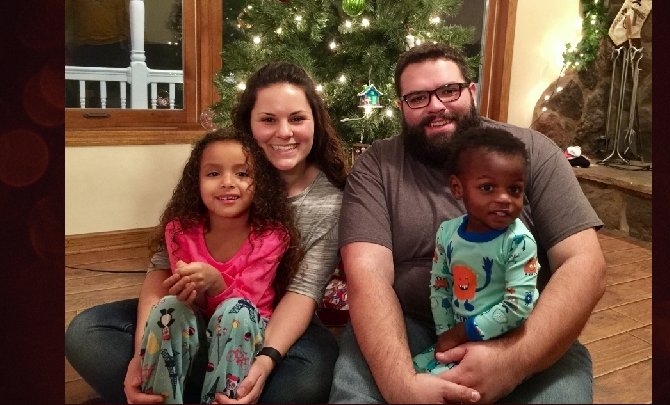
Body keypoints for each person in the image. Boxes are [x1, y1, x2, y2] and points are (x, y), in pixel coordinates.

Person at [330, 43, 606, 404]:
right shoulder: (376, 166)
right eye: (417, 98)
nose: (436, 106)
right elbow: (366, 276)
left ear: (471, 91)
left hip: (525, 330)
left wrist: (511, 363)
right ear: (401, 107)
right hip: (407, 326)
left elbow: (585, 264)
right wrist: (402, 388)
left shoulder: (534, 151)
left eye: (449, 90)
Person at [65, 62, 348, 403]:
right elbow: (162, 269)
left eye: (297, 118)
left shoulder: (329, 202)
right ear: (248, 124)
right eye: (268, 119)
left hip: (275, 324)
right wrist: (144, 353)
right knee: (86, 333)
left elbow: (303, 292)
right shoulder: (216, 181)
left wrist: (264, 362)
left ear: (315, 122)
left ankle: (204, 385)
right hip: (189, 317)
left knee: (308, 378)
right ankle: (181, 384)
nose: (284, 132)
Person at [137, 128, 301, 403]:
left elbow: (247, 301)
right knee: (168, 307)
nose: (227, 183)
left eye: (242, 174)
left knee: (237, 312)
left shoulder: (272, 237)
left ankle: (224, 398)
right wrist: (194, 291)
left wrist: (215, 282)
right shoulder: (179, 231)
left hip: (245, 334)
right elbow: (185, 300)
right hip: (195, 329)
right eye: (213, 174)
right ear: (196, 182)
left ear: (260, 182)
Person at [412, 125, 539, 376]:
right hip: (459, 335)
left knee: (442, 382)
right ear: (458, 188)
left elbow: (517, 308)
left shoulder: (519, 242)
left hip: (505, 342)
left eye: (514, 190)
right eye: (488, 188)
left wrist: (460, 334)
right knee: (414, 371)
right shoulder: (447, 233)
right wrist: (446, 334)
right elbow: (440, 285)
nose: (504, 199)